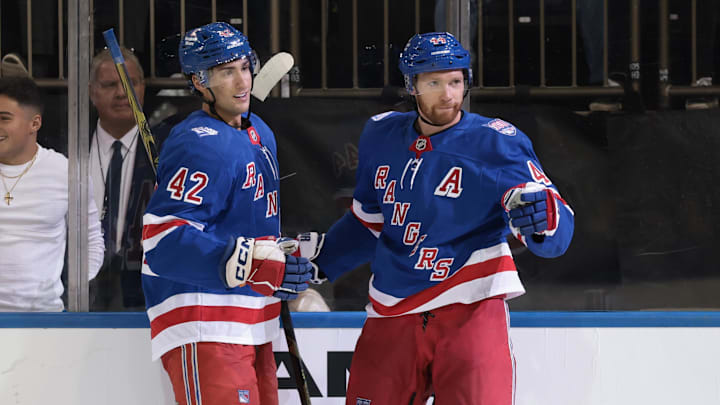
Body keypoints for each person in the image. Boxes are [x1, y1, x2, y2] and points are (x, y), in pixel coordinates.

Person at [297, 32, 575, 404]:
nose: (448, 94)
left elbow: (554, 227)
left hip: (469, 310)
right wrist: (320, 262)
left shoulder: (496, 142)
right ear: (411, 85)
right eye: (434, 83)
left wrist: (544, 220)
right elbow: (370, 222)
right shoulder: (380, 134)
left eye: (456, 81)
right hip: (392, 310)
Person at [141, 22, 313, 404]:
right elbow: (163, 240)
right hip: (206, 322)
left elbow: (248, 231)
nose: (241, 81)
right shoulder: (197, 143)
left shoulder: (259, 133)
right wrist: (253, 266)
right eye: (225, 72)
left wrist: (278, 265)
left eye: (244, 67)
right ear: (200, 82)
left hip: (253, 321)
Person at [0, 76, 104, 311]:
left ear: (34, 123)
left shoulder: (65, 172)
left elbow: (92, 241)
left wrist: (75, 293)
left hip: (45, 321)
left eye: (4, 119)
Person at [88, 46, 164, 311]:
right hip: (80, 295)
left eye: (130, 84)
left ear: (142, 88)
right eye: (110, 84)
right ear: (91, 92)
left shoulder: (165, 150)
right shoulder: (70, 148)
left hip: (149, 298)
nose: (122, 94)